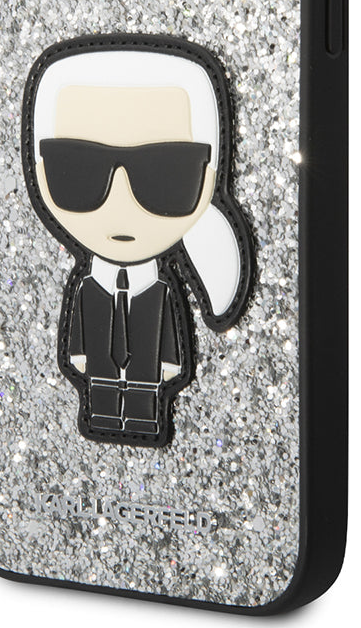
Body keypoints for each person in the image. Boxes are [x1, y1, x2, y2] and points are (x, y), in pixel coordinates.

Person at [23, 35, 253, 447]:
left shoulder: (158, 290)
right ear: (41, 171)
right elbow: (80, 338)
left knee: (144, 407)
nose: (121, 201)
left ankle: (144, 419)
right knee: (103, 401)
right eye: (77, 171)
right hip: (100, 380)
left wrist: (169, 365)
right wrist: (80, 357)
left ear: (207, 178)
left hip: (148, 380)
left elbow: (167, 343)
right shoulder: (90, 288)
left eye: (166, 175)